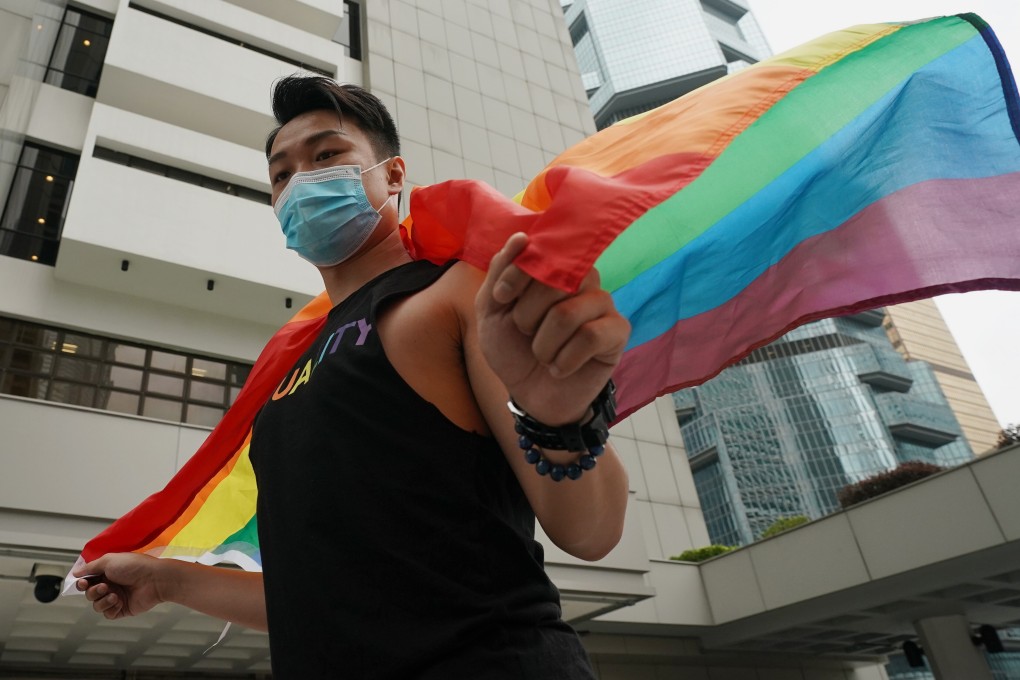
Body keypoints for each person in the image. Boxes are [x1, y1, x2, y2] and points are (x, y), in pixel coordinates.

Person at [75, 75, 631, 678]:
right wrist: (165, 579)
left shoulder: (455, 295)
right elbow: (322, 595)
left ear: (393, 176)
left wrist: (562, 419)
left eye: (326, 155)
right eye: (282, 174)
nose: (300, 182)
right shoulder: (285, 374)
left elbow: (591, 531)